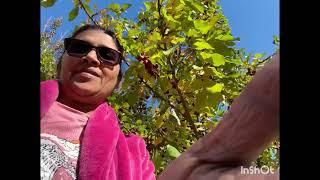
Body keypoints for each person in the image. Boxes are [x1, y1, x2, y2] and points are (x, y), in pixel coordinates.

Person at [41, 24, 279, 180]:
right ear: (62, 61)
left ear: (118, 80)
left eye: (107, 55)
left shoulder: (134, 155)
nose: (91, 57)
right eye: (79, 48)